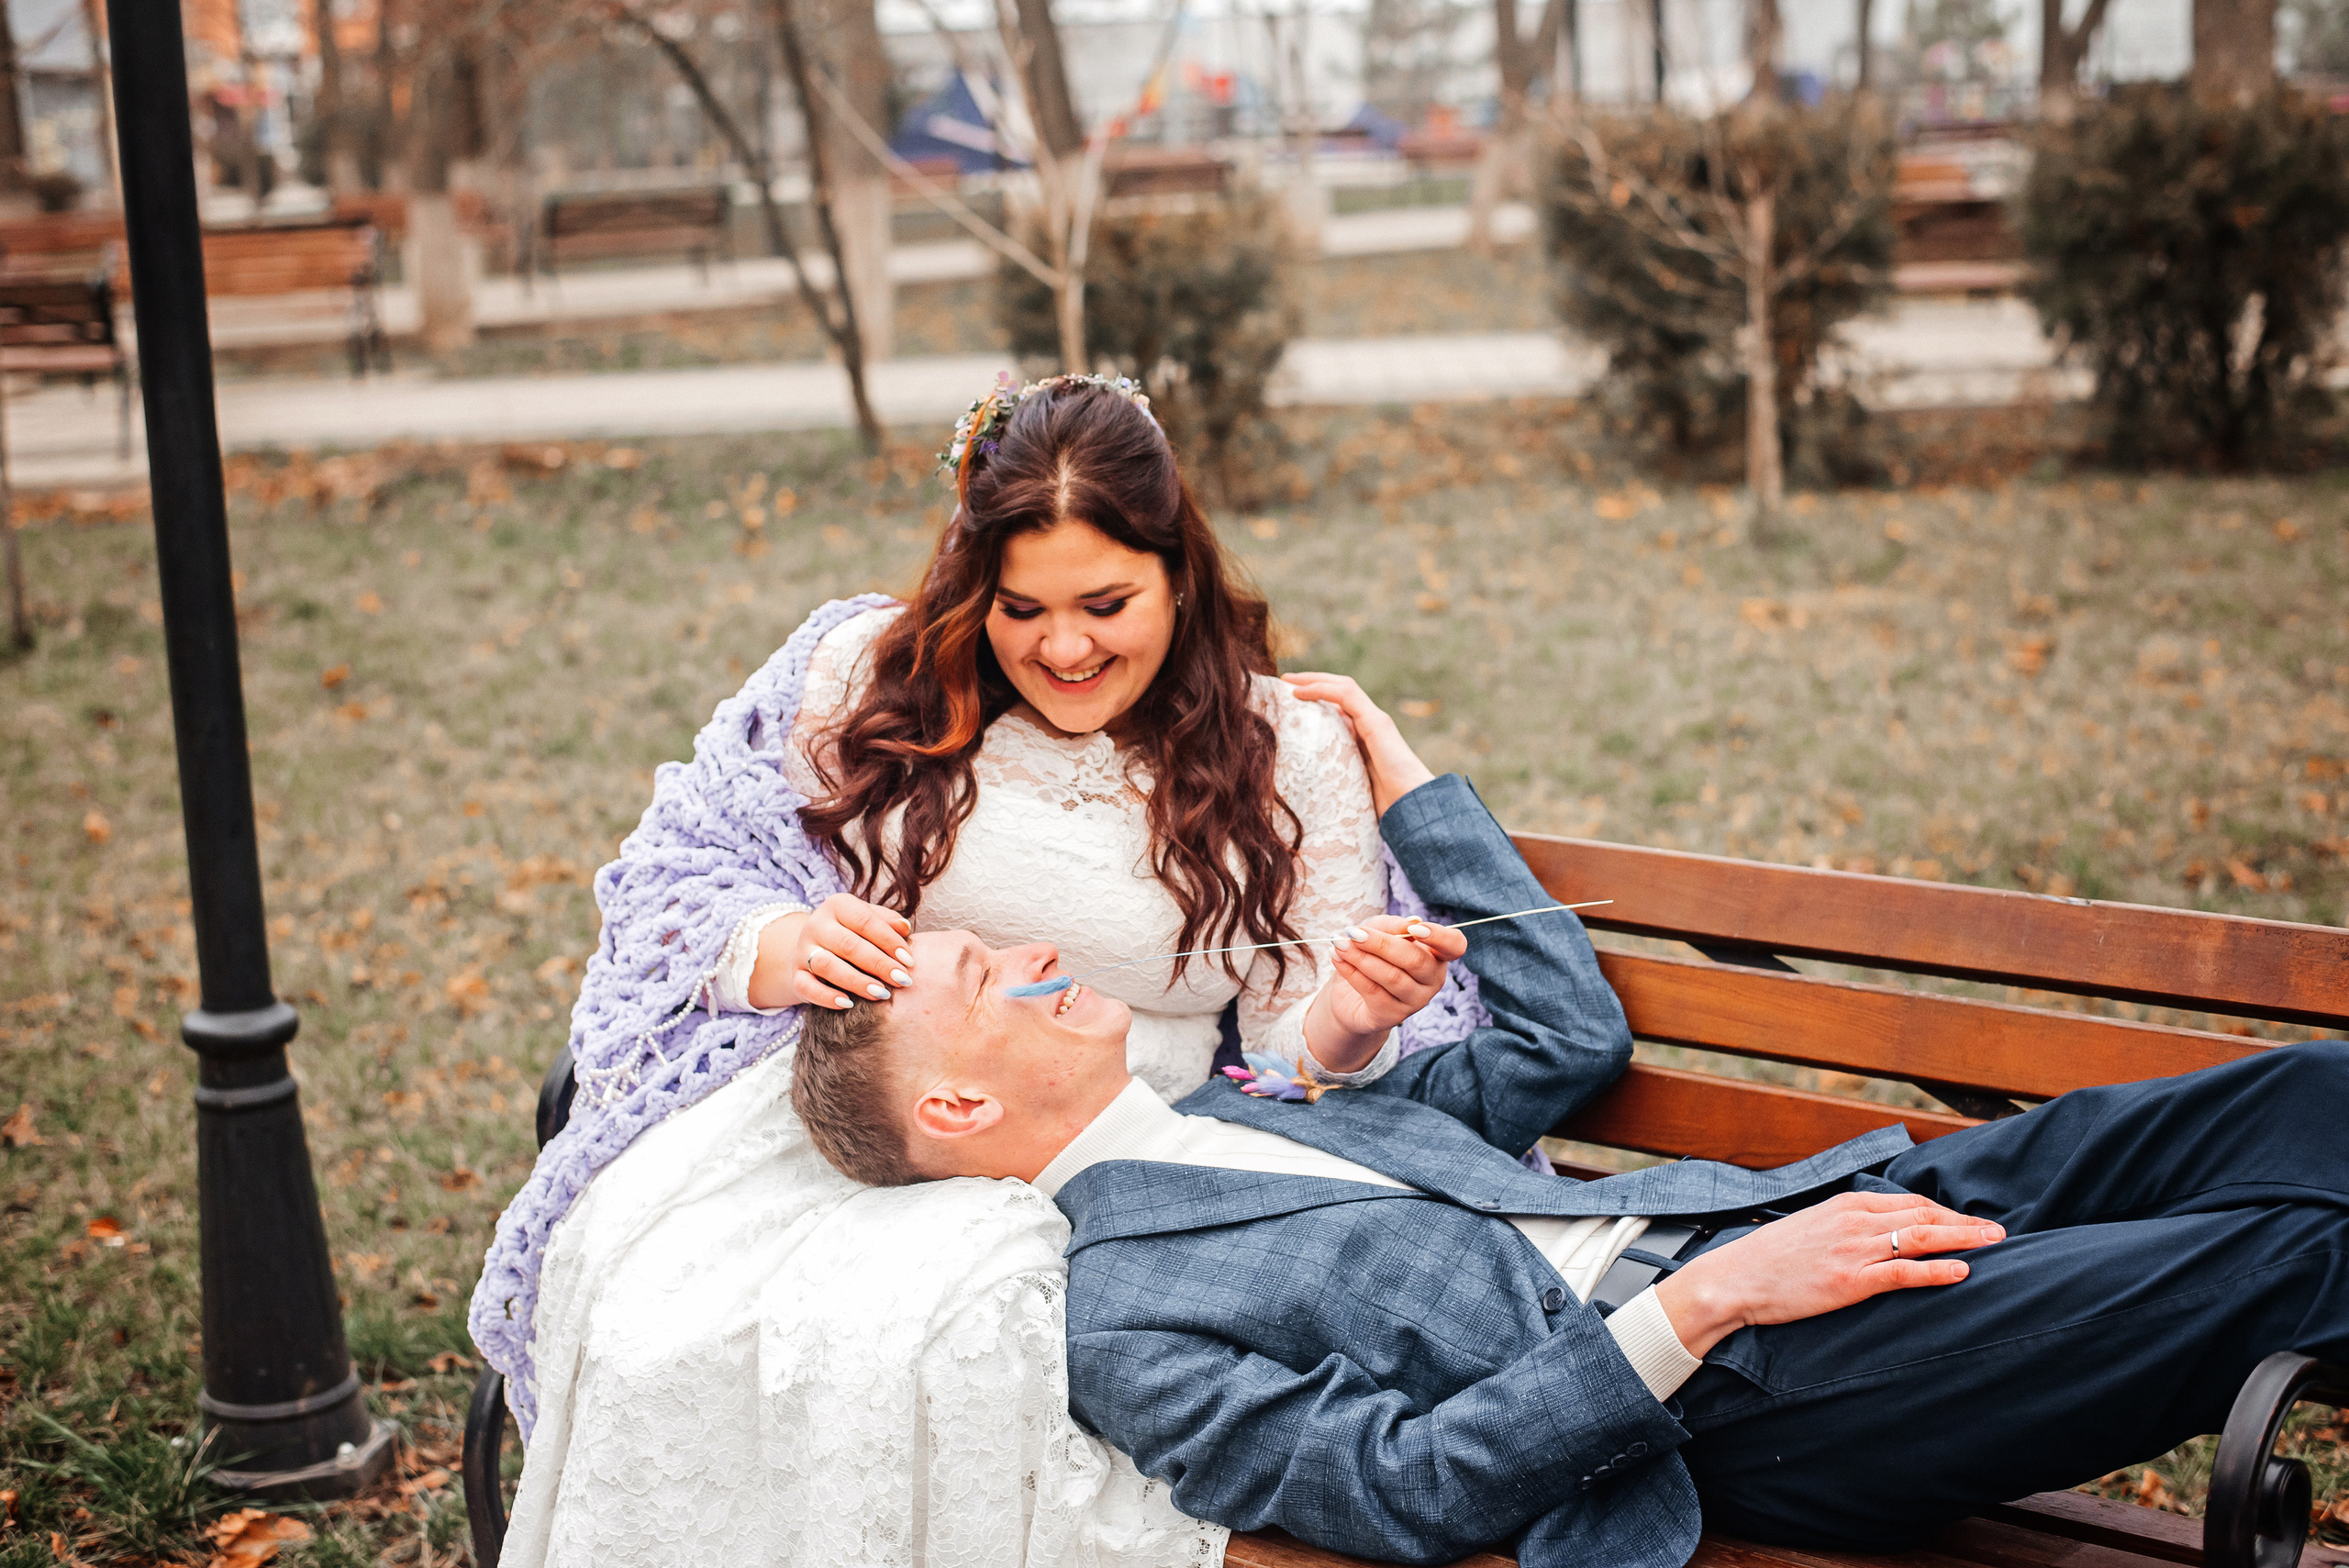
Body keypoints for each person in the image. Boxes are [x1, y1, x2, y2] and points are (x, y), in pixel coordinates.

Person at [789, 770, 2349, 1568]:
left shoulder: (1264, 1104)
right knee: (2287, 1259)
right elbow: (1402, 1491)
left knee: (2307, 1103)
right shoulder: (1117, 1322)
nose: (1038, 951)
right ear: (960, 1109)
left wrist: (1403, 778)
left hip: (1774, 1222)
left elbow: (1563, 1035)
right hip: (1747, 1399)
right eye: (987, 976)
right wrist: (1718, 1306)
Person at [470, 372, 1479, 1566]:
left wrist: (1352, 1016)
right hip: (835, 1120)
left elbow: (1287, 1047)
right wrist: (777, 944)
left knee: (943, 1347)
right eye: (1020, 607)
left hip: (1094, 1151)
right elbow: (677, 870)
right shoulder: (866, 676)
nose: (1063, 646)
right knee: (654, 1319)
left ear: (1180, 571)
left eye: (1107, 602)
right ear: (971, 583)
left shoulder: (1279, 751)